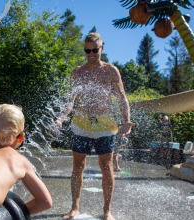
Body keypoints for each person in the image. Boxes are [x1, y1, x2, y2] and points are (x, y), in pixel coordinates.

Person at [55, 33, 135, 220]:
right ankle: (74, 207)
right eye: (87, 50)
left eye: (94, 50)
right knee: (78, 167)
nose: (90, 54)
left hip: (105, 123)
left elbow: (121, 98)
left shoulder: (111, 71)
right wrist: (60, 118)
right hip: (81, 122)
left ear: (102, 48)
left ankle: (107, 211)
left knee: (106, 167)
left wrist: (126, 120)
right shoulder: (77, 72)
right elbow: (70, 100)